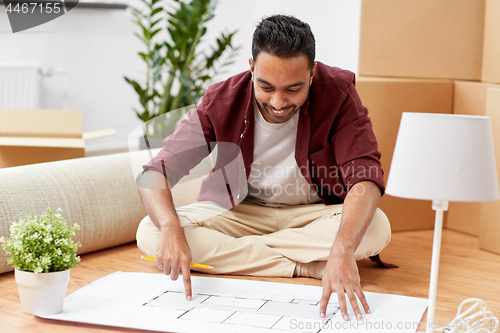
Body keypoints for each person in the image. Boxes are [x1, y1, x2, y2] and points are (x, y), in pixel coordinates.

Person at [135, 14, 392, 321]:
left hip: (312, 213)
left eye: (293, 89)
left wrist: (342, 248)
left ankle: (244, 254)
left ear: (311, 74)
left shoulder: (338, 92)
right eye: (266, 87)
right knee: (150, 231)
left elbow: (364, 178)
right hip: (240, 211)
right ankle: (304, 266)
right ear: (252, 68)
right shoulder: (222, 99)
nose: (278, 102)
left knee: (377, 226)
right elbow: (155, 173)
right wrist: (169, 228)